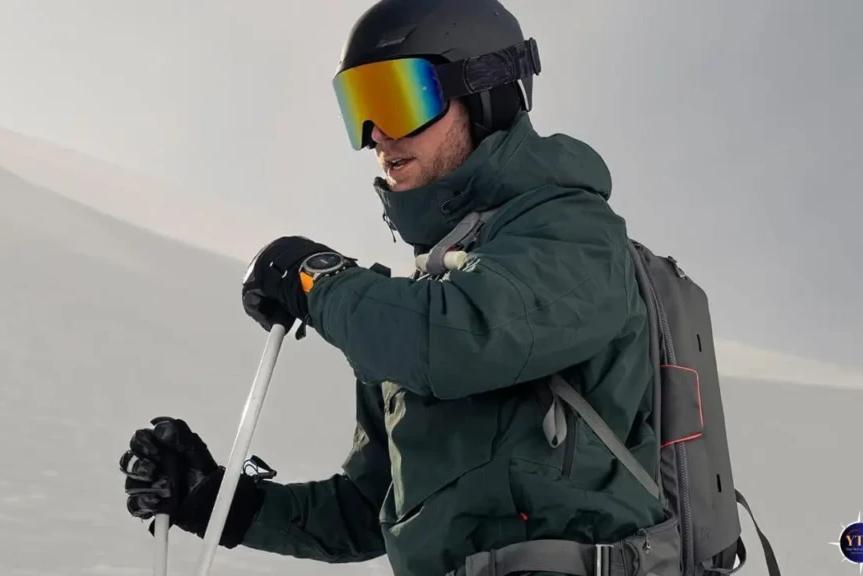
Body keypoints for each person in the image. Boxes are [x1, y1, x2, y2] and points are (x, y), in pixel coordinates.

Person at [118, 0, 667, 574]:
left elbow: (460, 336)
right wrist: (219, 503)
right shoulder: (415, 302)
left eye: (399, 100)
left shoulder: (573, 233)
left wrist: (318, 280)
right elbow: (366, 511)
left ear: (483, 95)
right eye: (359, 106)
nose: (375, 134)